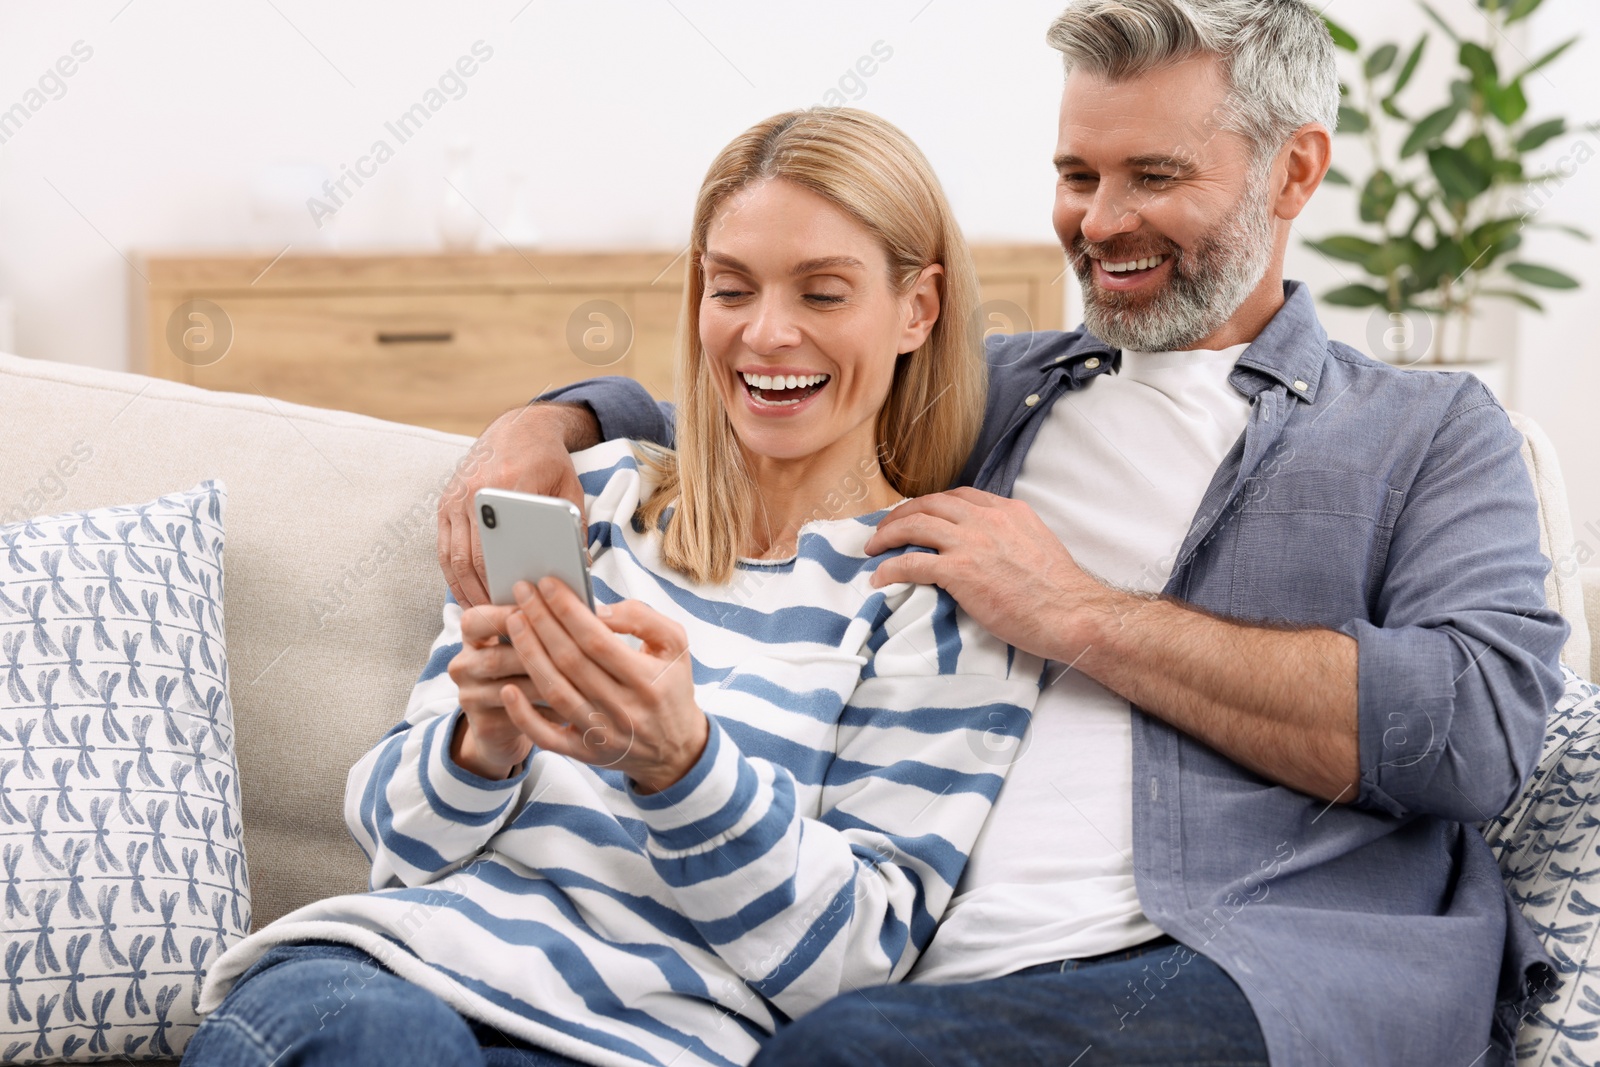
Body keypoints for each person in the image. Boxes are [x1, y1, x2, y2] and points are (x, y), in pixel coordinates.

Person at [436, 2, 1572, 1064]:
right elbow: (773, 393)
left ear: (1295, 170)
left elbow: (1472, 728)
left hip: (1250, 962)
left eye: (1154, 175)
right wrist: (549, 420)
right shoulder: (997, 391)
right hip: (925, 974)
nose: (1101, 219)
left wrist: (1077, 613)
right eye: (1077, 174)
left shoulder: (1424, 431)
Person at [183, 108, 1042, 1067]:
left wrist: (682, 766)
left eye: (824, 293)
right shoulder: (590, 497)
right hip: (388, 978)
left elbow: (854, 967)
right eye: (731, 288)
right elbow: (398, 849)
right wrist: (481, 741)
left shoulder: (936, 602)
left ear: (917, 308)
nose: (765, 333)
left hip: (640, 1043)